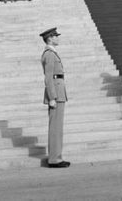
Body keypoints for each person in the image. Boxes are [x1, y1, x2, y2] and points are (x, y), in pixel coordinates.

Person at [40, 27, 69, 168]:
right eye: (55, 36)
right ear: (50, 38)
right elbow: (48, 78)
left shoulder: (52, 53)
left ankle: (57, 156)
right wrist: (52, 97)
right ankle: (54, 159)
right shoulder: (49, 54)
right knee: (55, 128)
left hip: (59, 92)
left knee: (57, 127)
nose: (58, 38)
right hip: (56, 94)